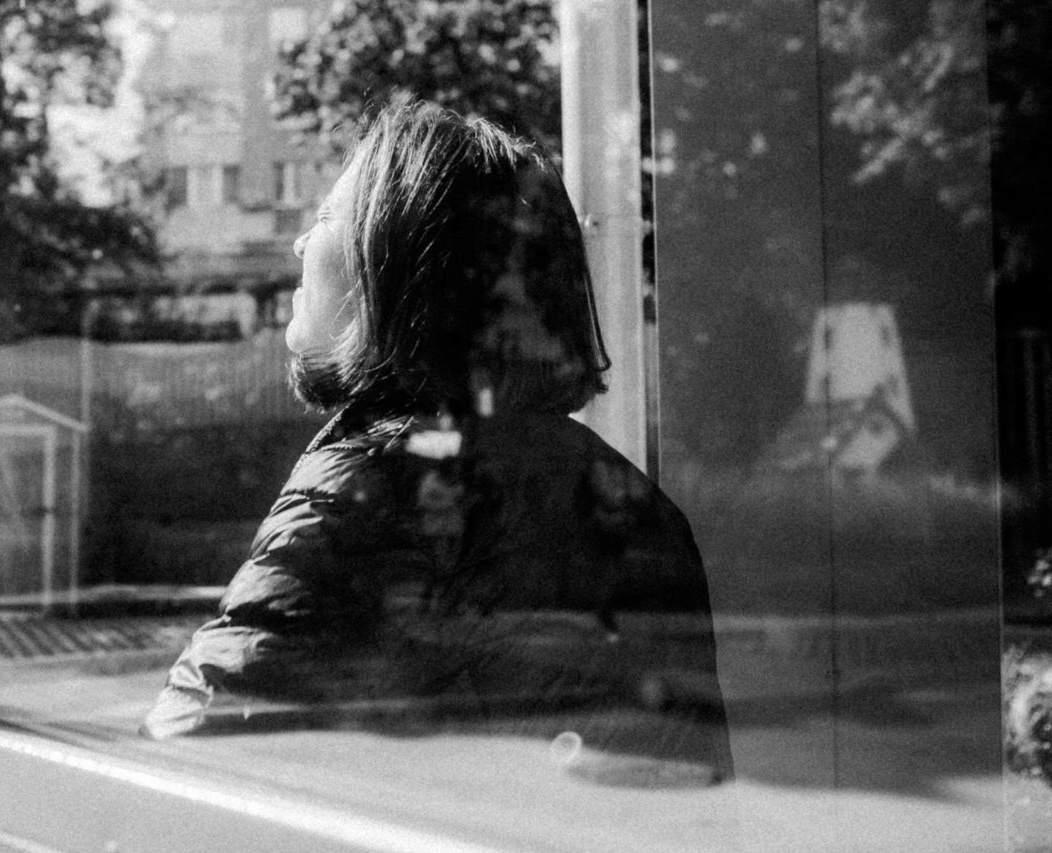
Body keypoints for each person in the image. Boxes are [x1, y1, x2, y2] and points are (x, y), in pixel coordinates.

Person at [142, 98, 731, 782]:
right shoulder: (636, 505)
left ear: (391, 270)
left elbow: (185, 760)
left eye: (327, 218)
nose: (301, 244)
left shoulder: (375, 487)